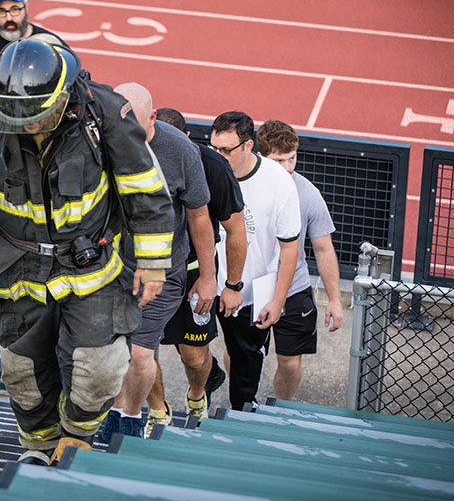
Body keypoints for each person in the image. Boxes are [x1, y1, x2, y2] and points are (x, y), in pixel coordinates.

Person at [0, 39, 174, 465]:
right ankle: (39, 449)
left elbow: (145, 187)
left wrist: (153, 264)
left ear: (64, 96)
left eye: (36, 114)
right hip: (15, 266)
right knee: (23, 375)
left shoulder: (103, 112)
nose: (27, 123)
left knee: (100, 368)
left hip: (91, 267)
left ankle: (77, 437)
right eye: (18, 114)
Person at [98, 84, 215, 441]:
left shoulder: (181, 151)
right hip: (109, 267)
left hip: (162, 272)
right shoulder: (101, 140)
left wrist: (209, 277)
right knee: (108, 349)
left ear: (152, 117)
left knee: (138, 352)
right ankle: (115, 412)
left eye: (134, 124)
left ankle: (129, 416)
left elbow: (198, 216)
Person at [146, 107, 246, 433]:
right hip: (146, 270)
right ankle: (158, 412)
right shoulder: (133, 154)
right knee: (140, 352)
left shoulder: (213, 168)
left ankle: (197, 395)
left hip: (192, 271)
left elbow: (236, 229)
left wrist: (227, 283)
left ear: (185, 141)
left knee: (194, 356)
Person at [210, 111, 301, 410]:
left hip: (250, 295)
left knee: (245, 370)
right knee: (194, 354)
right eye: (214, 148)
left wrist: (277, 301)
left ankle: (239, 420)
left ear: (248, 146)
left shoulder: (279, 183)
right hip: (207, 282)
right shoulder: (208, 169)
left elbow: (289, 249)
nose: (218, 156)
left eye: (226, 150)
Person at [255, 119, 343, 400]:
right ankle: (243, 404)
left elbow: (324, 249)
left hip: (294, 289)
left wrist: (335, 299)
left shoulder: (308, 194)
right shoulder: (244, 188)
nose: (288, 167)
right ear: (261, 157)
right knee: (240, 354)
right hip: (252, 289)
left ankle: (280, 407)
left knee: (291, 363)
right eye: (279, 161)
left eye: (291, 159)